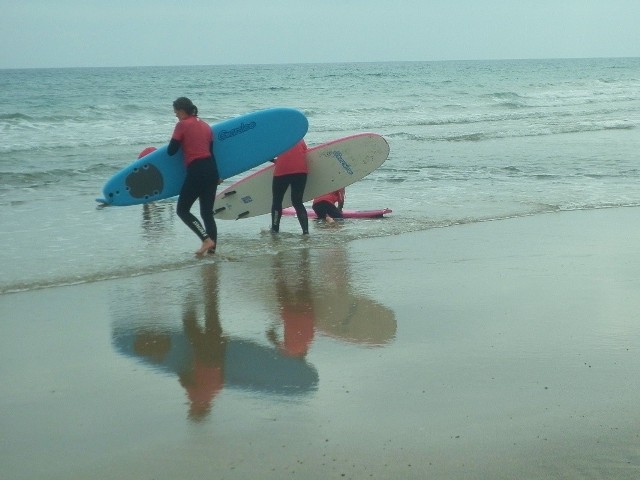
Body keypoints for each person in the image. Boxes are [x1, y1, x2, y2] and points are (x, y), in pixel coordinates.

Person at [167, 97, 219, 256]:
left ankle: (206, 240)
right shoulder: (205, 126)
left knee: (182, 210)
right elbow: (211, 153)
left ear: (182, 111)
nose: (176, 115)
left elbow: (171, 151)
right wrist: (217, 175)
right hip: (211, 170)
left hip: (197, 170)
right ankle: (212, 252)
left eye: (176, 112)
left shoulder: (182, 125)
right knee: (207, 213)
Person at [271, 139, 309, 235]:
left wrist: (274, 160)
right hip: (301, 171)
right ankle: (305, 232)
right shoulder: (299, 137)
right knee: (298, 202)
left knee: (277, 201)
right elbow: (306, 152)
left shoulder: (278, 138)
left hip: (282, 170)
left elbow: (265, 154)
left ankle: (275, 230)